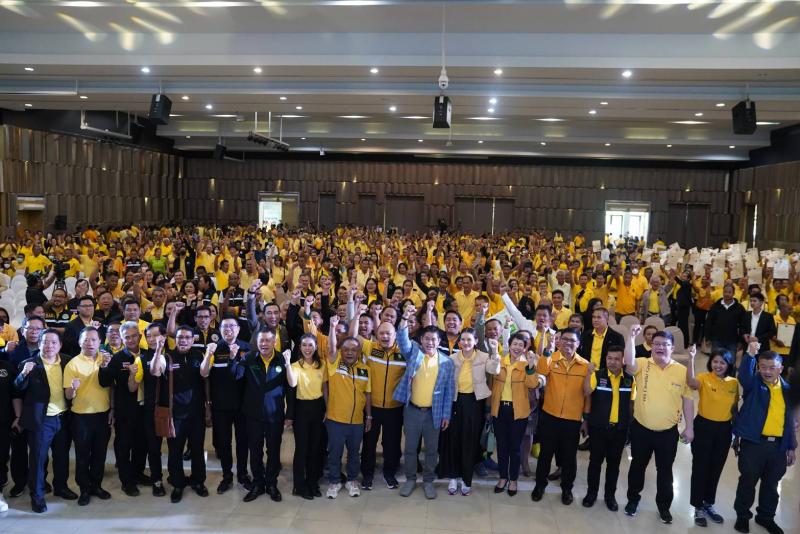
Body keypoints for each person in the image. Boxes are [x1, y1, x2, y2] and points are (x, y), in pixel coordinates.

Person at [623, 325, 694, 524]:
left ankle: (664, 507)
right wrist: (631, 337)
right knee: (637, 467)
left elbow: (688, 400)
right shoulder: (643, 363)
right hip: (641, 429)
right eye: (656, 344)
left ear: (672, 348)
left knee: (665, 472)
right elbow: (628, 363)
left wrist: (689, 427)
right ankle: (633, 500)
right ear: (651, 346)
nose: (660, 347)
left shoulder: (682, 371)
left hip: (667, 433)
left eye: (665, 344)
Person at [225, 327, 295, 502]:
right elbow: (235, 377)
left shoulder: (282, 360)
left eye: (267, 340)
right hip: (252, 415)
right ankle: (258, 483)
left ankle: (271, 484)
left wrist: (289, 414)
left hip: (275, 415)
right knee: (255, 451)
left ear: (274, 342)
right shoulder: (249, 358)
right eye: (261, 340)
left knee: (273, 451)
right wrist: (232, 360)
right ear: (256, 342)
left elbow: (290, 389)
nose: (264, 344)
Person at [733, 344, 797, 534]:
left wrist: (791, 447)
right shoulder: (754, 384)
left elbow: (789, 422)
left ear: (780, 368)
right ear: (758, 367)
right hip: (753, 443)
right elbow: (744, 377)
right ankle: (742, 516)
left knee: (772, 484)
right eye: (763, 367)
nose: (767, 371)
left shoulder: (787, 390)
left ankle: (766, 517)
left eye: (772, 367)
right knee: (748, 481)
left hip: (778, 446)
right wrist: (750, 355)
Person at [393, 306, 455, 500]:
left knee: (432, 450)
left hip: (433, 413)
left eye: (434, 339)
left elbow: (449, 391)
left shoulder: (447, 363)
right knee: (410, 448)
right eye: (427, 339)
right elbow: (402, 340)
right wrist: (405, 318)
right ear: (421, 340)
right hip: (412, 411)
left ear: (439, 341)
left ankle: (428, 481)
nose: (430, 342)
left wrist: (446, 415)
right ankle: (410, 479)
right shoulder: (414, 353)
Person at [13, 328, 78, 513]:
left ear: (60, 345)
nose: (49, 346)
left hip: (63, 418)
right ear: (39, 344)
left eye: (53, 342)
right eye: (45, 342)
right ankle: (37, 496)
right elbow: (17, 388)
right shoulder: (29, 363)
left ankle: (61, 487)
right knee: (38, 460)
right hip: (41, 421)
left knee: (62, 457)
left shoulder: (67, 361)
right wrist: (23, 374)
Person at [150, 325, 208, 503]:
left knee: (197, 449)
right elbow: (154, 371)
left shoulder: (199, 355)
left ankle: (198, 481)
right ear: (175, 339)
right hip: (174, 415)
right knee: (175, 451)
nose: (183, 340)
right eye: (180, 337)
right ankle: (177, 483)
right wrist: (158, 349)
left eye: (187, 337)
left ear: (193, 339)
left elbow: (205, 374)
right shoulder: (167, 356)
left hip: (196, 413)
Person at [531, 327, 590, 505]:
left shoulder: (585, 366)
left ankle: (567, 488)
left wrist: (585, 419)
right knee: (545, 454)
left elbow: (588, 395)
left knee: (569, 457)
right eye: (564, 339)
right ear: (559, 342)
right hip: (550, 415)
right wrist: (547, 351)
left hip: (572, 419)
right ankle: (540, 485)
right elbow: (541, 371)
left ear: (578, 344)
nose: (568, 343)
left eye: (572, 340)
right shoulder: (551, 359)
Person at [439, 328, 497, 496]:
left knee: (470, 441)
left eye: (469, 339)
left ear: (476, 341)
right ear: (459, 341)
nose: (465, 342)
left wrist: (495, 351)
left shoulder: (483, 357)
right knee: (453, 440)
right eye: (463, 339)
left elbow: (495, 370)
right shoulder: (452, 358)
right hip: (455, 402)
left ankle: (466, 479)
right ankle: (453, 477)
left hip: (474, 403)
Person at [687, 346, 738, 527]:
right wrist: (691, 358)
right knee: (700, 468)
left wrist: (736, 435)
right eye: (715, 361)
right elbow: (691, 382)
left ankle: (708, 503)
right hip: (704, 427)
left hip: (724, 430)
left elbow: (735, 409)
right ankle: (697, 507)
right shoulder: (704, 378)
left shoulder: (734, 383)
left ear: (729, 364)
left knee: (716, 468)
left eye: (722, 362)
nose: (718, 365)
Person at [199, 315, 251, 494]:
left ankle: (243, 475)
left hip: (243, 405)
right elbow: (205, 375)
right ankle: (227, 475)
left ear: (238, 329)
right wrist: (208, 403)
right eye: (224, 327)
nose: (228, 329)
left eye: (232, 326)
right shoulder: (214, 348)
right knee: (223, 442)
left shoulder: (247, 348)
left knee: (243, 441)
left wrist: (234, 358)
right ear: (219, 329)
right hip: (220, 405)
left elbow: (246, 376)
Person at [581, 345, 634, 512]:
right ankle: (591, 494)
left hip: (619, 430)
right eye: (609, 358)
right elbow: (586, 391)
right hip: (598, 428)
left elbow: (631, 404)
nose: (612, 362)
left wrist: (630, 427)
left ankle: (610, 496)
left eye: (616, 359)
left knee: (614, 465)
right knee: (595, 463)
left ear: (623, 361)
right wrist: (589, 372)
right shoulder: (598, 375)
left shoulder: (629, 379)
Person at [63, 326, 112, 506]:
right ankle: (84, 489)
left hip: (102, 414)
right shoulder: (72, 364)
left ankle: (96, 486)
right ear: (79, 342)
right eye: (86, 339)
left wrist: (113, 409)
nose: (90, 343)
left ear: (100, 342)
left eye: (93, 339)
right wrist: (73, 388)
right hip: (81, 417)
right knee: (82, 455)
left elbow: (112, 386)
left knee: (100, 454)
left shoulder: (105, 359)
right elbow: (68, 395)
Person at [489, 332, 542, 497]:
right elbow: (491, 374)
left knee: (515, 448)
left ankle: (513, 479)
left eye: (521, 345)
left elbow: (532, 384)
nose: (517, 347)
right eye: (515, 344)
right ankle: (503, 477)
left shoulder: (527, 365)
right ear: (509, 345)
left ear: (525, 348)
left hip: (518, 412)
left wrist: (531, 367)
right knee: (501, 446)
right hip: (499, 410)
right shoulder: (500, 362)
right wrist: (494, 353)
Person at [324, 316, 371, 499]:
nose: (350, 352)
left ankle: (352, 480)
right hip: (336, 420)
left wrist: (369, 416)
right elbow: (331, 348)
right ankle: (334, 481)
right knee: (334, 453)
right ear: (340, 351)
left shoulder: (365, 369)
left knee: (354, 453)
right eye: (346, 349)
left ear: (359, 352)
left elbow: (368, 394)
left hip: (357, 421)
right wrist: (332, 326)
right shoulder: (335, 364)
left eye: (353, 349)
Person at [98, 321, 145, 496]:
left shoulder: (147, 354)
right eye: (127, 337)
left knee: (142, 444)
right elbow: (105, 382)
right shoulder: (117, 358)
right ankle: (127, 481)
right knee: (124, 445)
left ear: (140, 336)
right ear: (122, 339)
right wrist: (104, 367)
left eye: (134, 336)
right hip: (125, 409)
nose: (131, 340)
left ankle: (138, 473)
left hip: (145, 408)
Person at [358, 319, 405, 490]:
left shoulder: (403, 352)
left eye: (388, 333)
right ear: (376, 335)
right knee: (369, 443)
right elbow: (352, 334)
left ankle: (389, 473)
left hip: (395, 408)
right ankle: (367, 475)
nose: (385, 336)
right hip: (372, 408)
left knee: (392, 443)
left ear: (395, 335)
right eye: (381, 333)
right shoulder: (370, 348)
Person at [286, 333, 327, 499]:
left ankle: (312, 482)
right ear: (299, 347)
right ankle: (299, 485)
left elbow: (325, 388)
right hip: (301, 409)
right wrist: (287, 363)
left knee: (315, 448)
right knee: (302, 449)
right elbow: (292, 383)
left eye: (310, 345)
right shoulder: (295, 366)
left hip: (318, 408)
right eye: (304, 345)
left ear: (316, 347)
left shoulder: (321, 365)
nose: (307, 348)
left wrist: (327, 409)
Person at [705, 283, 746, 355]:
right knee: (716, 359)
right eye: (725, 292)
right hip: (716, 340)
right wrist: (708, 338)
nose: (727, 294)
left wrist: (740, 341)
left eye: (729, 292)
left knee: (730, 360)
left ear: (733, 293)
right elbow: (708, 323)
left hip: (732, 341)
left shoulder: (739, 308)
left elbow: (743, 326)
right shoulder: (715, 306)